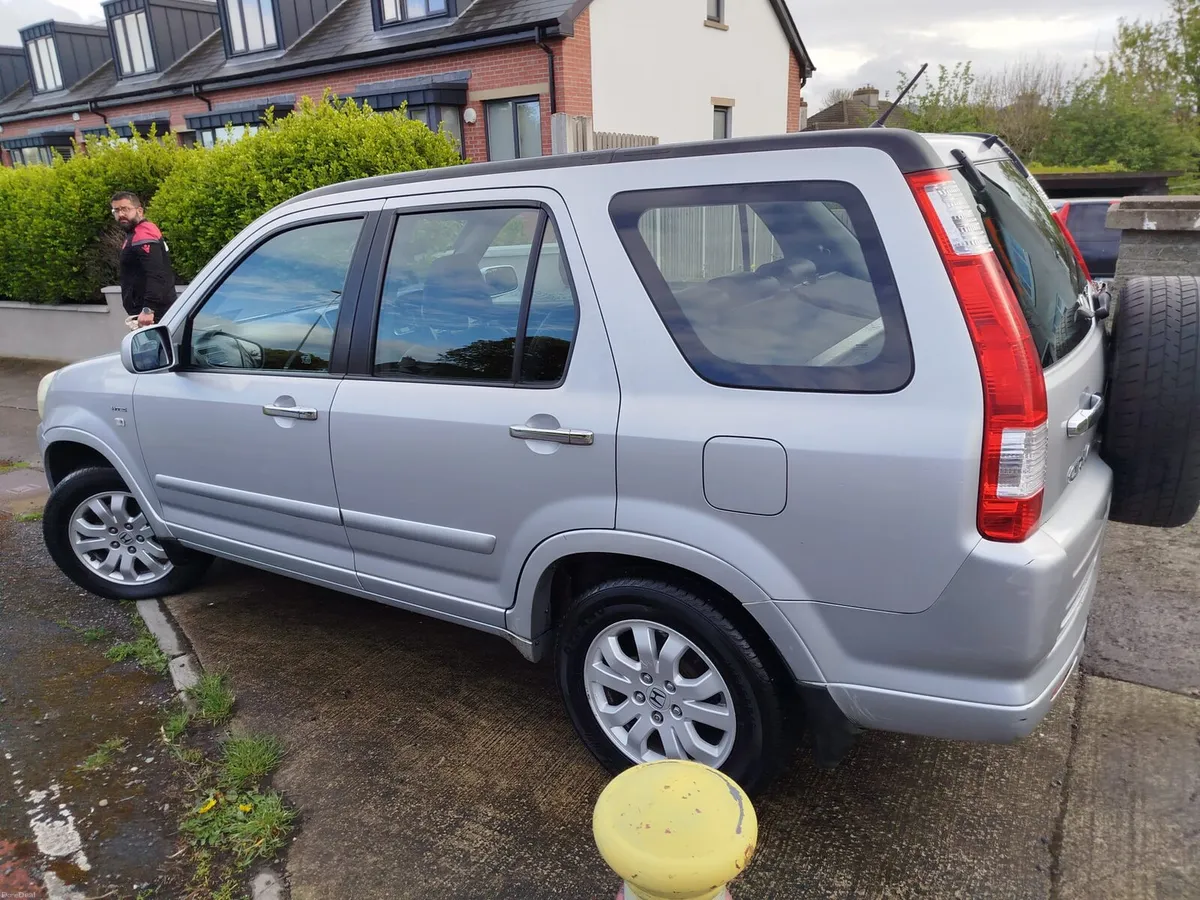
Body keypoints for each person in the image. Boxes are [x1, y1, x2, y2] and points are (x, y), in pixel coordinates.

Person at [110, 191, 176, 328]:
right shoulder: (134, 234)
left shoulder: (143, 234)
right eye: (116, 210)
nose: (121, 214)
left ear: (139, 210)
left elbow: (156, 274)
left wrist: (148, 309)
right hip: (148, 314)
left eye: (125, 209)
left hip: (153, 315)